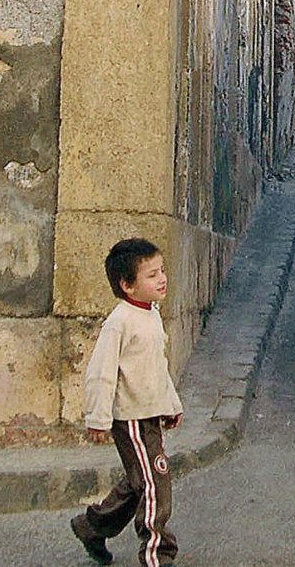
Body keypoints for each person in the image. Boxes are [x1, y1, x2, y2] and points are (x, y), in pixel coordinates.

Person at [69, 238, 184, 567]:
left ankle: (92, 526)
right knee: (155, 484)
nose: (162, 279)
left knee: (139, 482)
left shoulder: (151, 315)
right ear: (127, 285)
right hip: (131, 418)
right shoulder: (119, 322)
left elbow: (157, 367)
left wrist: (171, 404)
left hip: (150, 415)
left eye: (162, 271)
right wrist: (98, 418)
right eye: (152, 275)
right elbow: (101, 373)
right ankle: (157, 555)